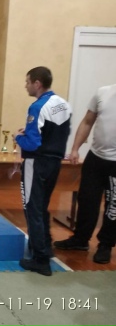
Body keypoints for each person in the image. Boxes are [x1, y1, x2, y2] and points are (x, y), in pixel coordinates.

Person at [13, 66, 71, 276]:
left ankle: (40, 259)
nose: (26, 86)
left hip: (36, 163)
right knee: (42, 206)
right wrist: (29, 132)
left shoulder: (37, 106)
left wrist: (18, 137)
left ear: (37, 83)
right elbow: (54, 132)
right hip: (54, 162)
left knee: (32, 208)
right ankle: (46, 246)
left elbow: (33, 143)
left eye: (28, 82)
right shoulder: (63, 104)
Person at [54, 84, 116, 264]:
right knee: (87, 199)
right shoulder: (103, 92)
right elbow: (88, 121)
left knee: (113, 206)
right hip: (95, 157)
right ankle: (80, 239)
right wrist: (75, 148)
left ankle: (105, 245)